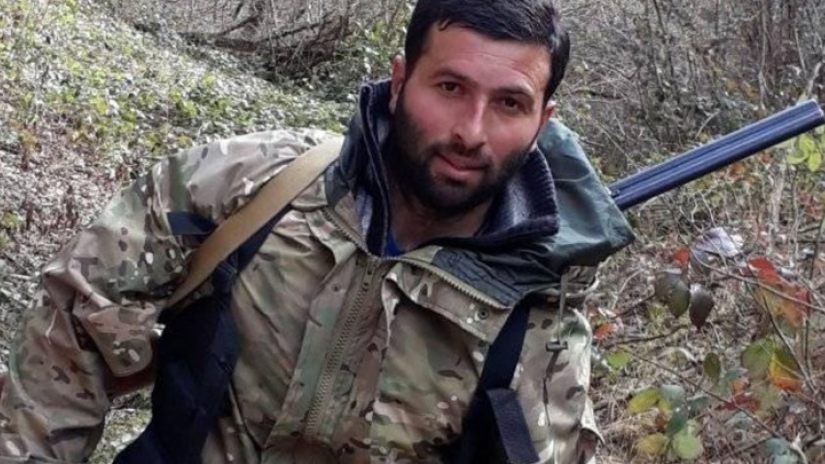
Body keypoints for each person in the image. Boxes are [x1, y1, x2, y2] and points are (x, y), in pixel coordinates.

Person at [0, 0, 634, 462]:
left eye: (509, 103)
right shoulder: (251, 185)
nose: (470, 130)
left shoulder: (539, 320)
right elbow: (74, 319)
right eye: (449, 87)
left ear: (543, 120)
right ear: (399, 82)